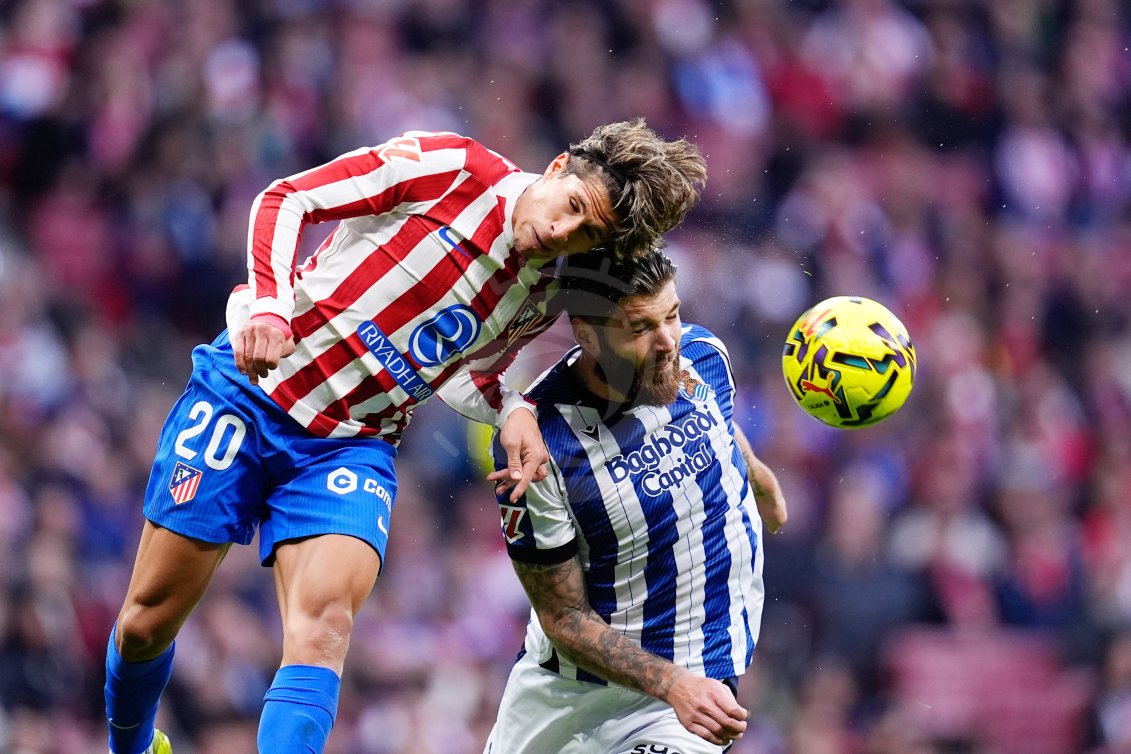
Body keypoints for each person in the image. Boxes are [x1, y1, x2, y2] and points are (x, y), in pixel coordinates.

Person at [103, 120, 707, 754]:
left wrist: (512, 409)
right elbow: (286, 198)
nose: (562, 233)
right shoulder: (452, 168)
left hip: (351, 444)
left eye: (587, 234)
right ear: (557, 168)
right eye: (573, 208)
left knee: (325, 625)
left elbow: (466, 374)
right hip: (249, 394)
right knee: (146, 624)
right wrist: (270, 306)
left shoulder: (551, 285)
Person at [483, 248, 788, 754]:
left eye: (672, 314)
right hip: (567, 697)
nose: (668, 341)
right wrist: (671, 683)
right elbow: (564, 619)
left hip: (693, 688)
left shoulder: (705, 354)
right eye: (640, 327)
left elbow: (720, 423)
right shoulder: (540, 445)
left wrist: (760, 480)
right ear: (587, 333)